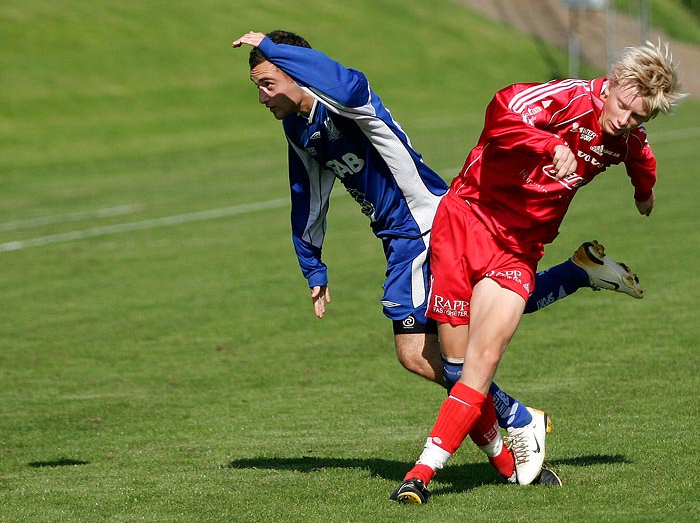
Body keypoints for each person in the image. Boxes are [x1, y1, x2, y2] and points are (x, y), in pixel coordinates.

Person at [231, 30, 644, 485]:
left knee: (444, 346)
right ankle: (570, 289)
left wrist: (272, 45)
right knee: (429, 351)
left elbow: (350, 84)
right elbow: (305, 193)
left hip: (426, 224)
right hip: (398, 238)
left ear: (297, 74)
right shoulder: (299, 129)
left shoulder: (347, 102)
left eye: (268, 83)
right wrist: (312, 263)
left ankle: (514, 427)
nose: (262, 97)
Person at [390, 41, 685, 503]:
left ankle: (421, 474)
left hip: (519, 250)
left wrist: (643, 193)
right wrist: (550, 144)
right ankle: (512, 449)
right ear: (611, 85)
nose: (625, 120)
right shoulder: (564, 99)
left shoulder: (626, 137)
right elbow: (499, 115)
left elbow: (641, 158)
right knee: (454, 363)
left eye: (638, 117)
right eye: (624, 107)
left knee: (480, 363)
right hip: (467, 221)